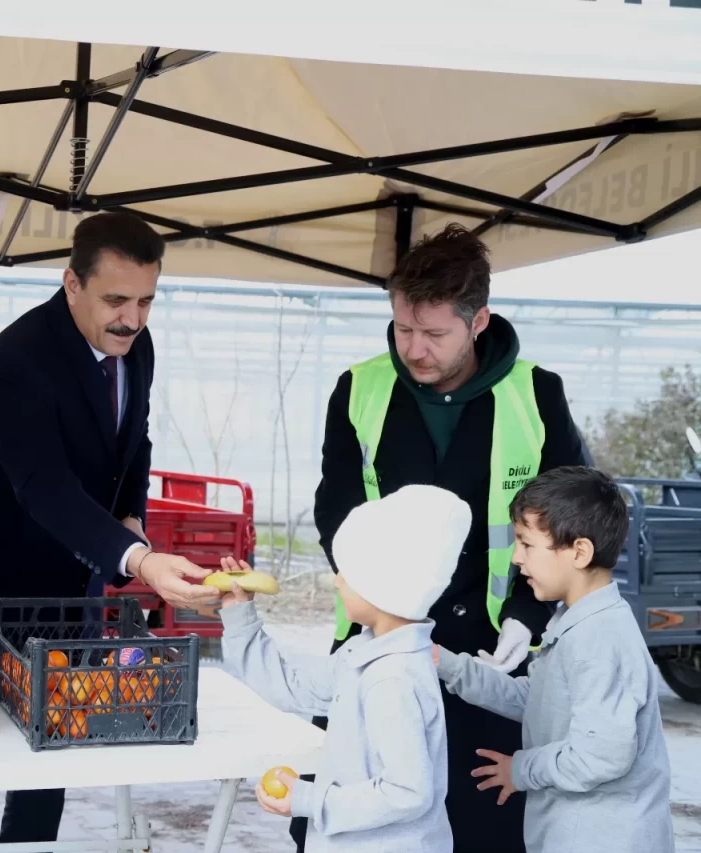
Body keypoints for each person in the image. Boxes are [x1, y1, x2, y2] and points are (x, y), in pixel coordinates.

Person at [0, 211, 220, 849]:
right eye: (115, 299)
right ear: (71, 284)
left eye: (145, 301)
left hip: (74, 576)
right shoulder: (15, 358)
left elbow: (133, 441)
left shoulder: (137, 343)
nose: (132, 318)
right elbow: (42, 486)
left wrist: (131, 515)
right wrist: (137, 558)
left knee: (56, 736)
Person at [306, 223, 588, 853]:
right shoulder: (359, 389)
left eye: (434, 334)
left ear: (479, 320)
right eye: (404, 328)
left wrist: (527, 615)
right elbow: (337, 510)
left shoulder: (537, 394)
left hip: (491, 657)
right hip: (378, 648)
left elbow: (571, 523)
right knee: (359, 816)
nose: (415, 349)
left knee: (485, 827)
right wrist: (371, 601)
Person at [435, 466, 674, 852]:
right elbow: (537, 700)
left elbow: (601, 757)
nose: (515, 558)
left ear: (579, 551)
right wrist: (443, 662)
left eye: (526, 544)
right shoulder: (575, 619)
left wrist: (521, 769)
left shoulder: (598, 638)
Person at [221, 484, 468, 852]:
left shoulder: (392, 679)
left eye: (347, 574)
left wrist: (309, 800)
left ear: (383, 588)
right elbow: (295, 686)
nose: (337, 581)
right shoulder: (365, 653)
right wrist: (239, 614)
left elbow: (407, 792)